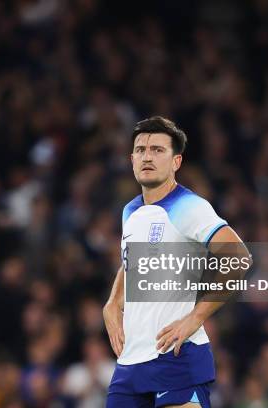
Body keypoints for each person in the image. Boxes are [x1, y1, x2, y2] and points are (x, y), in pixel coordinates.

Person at [103, 116, 250, 407]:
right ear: (131, 159)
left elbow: (239, 259)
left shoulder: (190, 207)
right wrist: (112, 302)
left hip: (177, 358)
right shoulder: (130, 211)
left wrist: (195, 317)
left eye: (158, 150)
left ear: (176, 162)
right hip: (131, 362)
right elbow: (131, 262)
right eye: (141, 150)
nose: (147, 156)